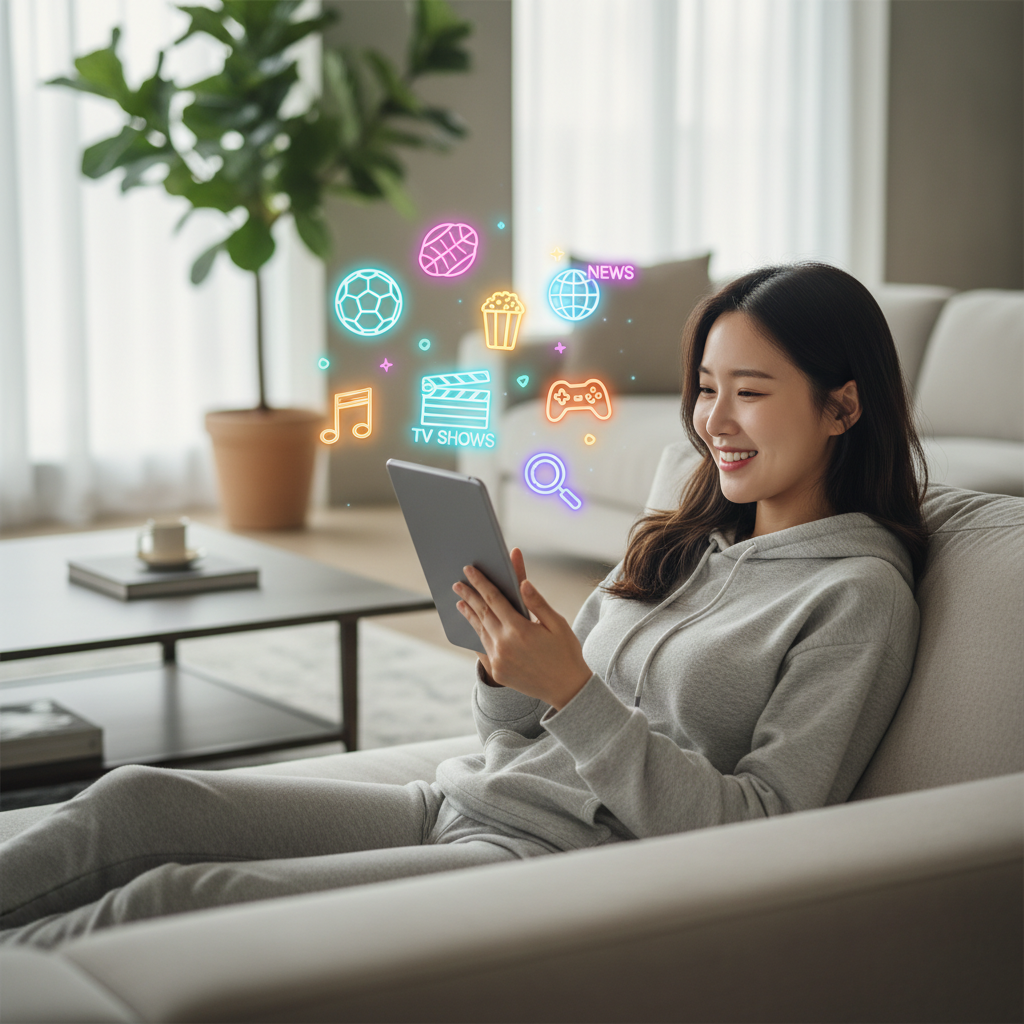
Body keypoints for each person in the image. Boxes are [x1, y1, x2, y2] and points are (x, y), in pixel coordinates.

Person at [0, 262, 928, 949]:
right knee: (133, 805)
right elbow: (509, 743)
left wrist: (573, 694)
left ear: (842, 407)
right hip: (459, 801)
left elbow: (762, 833)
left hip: (545, 865)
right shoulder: (683, 536)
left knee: (176, 904)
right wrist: (506, 665)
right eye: (706, 390)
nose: (712, 422)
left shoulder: (857, 596)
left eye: (750, 394)